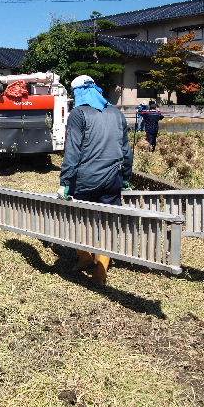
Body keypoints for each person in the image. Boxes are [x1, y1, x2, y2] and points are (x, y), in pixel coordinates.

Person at [57, 75, 133, 284]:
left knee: (79, 220)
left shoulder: (78, 114)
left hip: (85, 181)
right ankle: (101, 268)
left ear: (79, 92)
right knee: (108, 223)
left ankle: (84, 259)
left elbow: (72, 152)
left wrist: (65, 182)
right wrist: (125, 176)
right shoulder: (116, 113)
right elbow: (126, 150)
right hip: (112, 179)